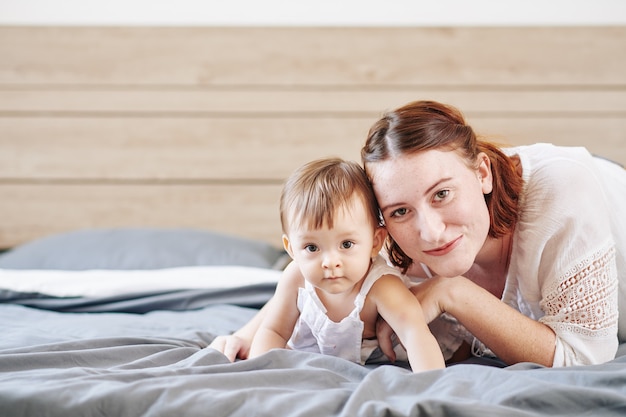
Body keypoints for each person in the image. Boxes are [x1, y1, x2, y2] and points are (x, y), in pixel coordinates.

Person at [211, 100, 626, 368]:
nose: (429, 231)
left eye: (442, 193)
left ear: (481, 173)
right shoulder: (394, 239)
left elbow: (585, 357)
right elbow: (316, 276)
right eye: (400, 210)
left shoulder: (563, 196)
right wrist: (247, 335)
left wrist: (454, 293)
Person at [245, 157, 444, 372]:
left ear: (375, 242)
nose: (330, 262)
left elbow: (415, 334)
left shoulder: (381, 286)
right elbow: (274, 331)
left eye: (346, 244)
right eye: (312, 248)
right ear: (291, 248)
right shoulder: (295, 278)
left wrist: (429, 384)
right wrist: (258, 372)